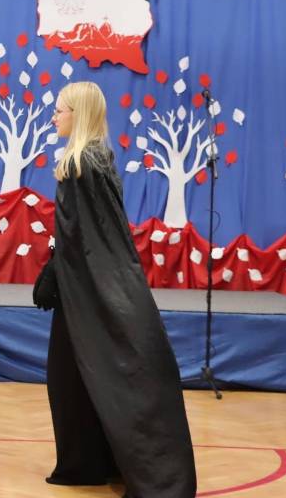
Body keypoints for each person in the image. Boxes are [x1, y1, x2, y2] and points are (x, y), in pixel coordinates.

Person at [33, 82, 197, 497]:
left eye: (60, 110)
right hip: (83, 287)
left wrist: (56, 271)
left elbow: (88, 236)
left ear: (79, 114)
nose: (54, 117)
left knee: (80, 376)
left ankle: (103, 464)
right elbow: (85, 232)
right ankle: (91, 462)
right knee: (70, 373)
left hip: (89, 291)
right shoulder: (93, 159)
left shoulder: (81, 163)